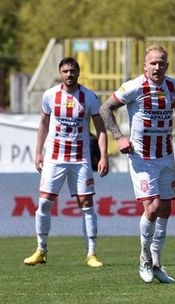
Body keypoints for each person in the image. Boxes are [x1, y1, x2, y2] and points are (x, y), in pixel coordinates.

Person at [99, 44, 175, 284]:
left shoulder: (173, 86)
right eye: (153, 62)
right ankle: (143, 258)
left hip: (165, 155)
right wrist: (119, 137)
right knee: (152, 208)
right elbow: (105, 109)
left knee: (165, 208)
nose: (157, 67)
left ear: (167, 65)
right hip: (142, 157)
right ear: (145, 65)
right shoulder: (134, 86)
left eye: (161, 63)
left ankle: (156, 263)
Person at [24, 57, 109, 268]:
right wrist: (38, 152)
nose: (69, 74)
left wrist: (104, 156)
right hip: (54, 158)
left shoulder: (89, 97)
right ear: (60, 73)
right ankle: (41, 250)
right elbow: (43, 123)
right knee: (44, 202)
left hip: (80, 159)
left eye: (72, 71)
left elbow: (100, 129)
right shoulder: (50, 95)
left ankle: (91, 254)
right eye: (65, 71)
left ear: (78, 73)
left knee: (86, 205)